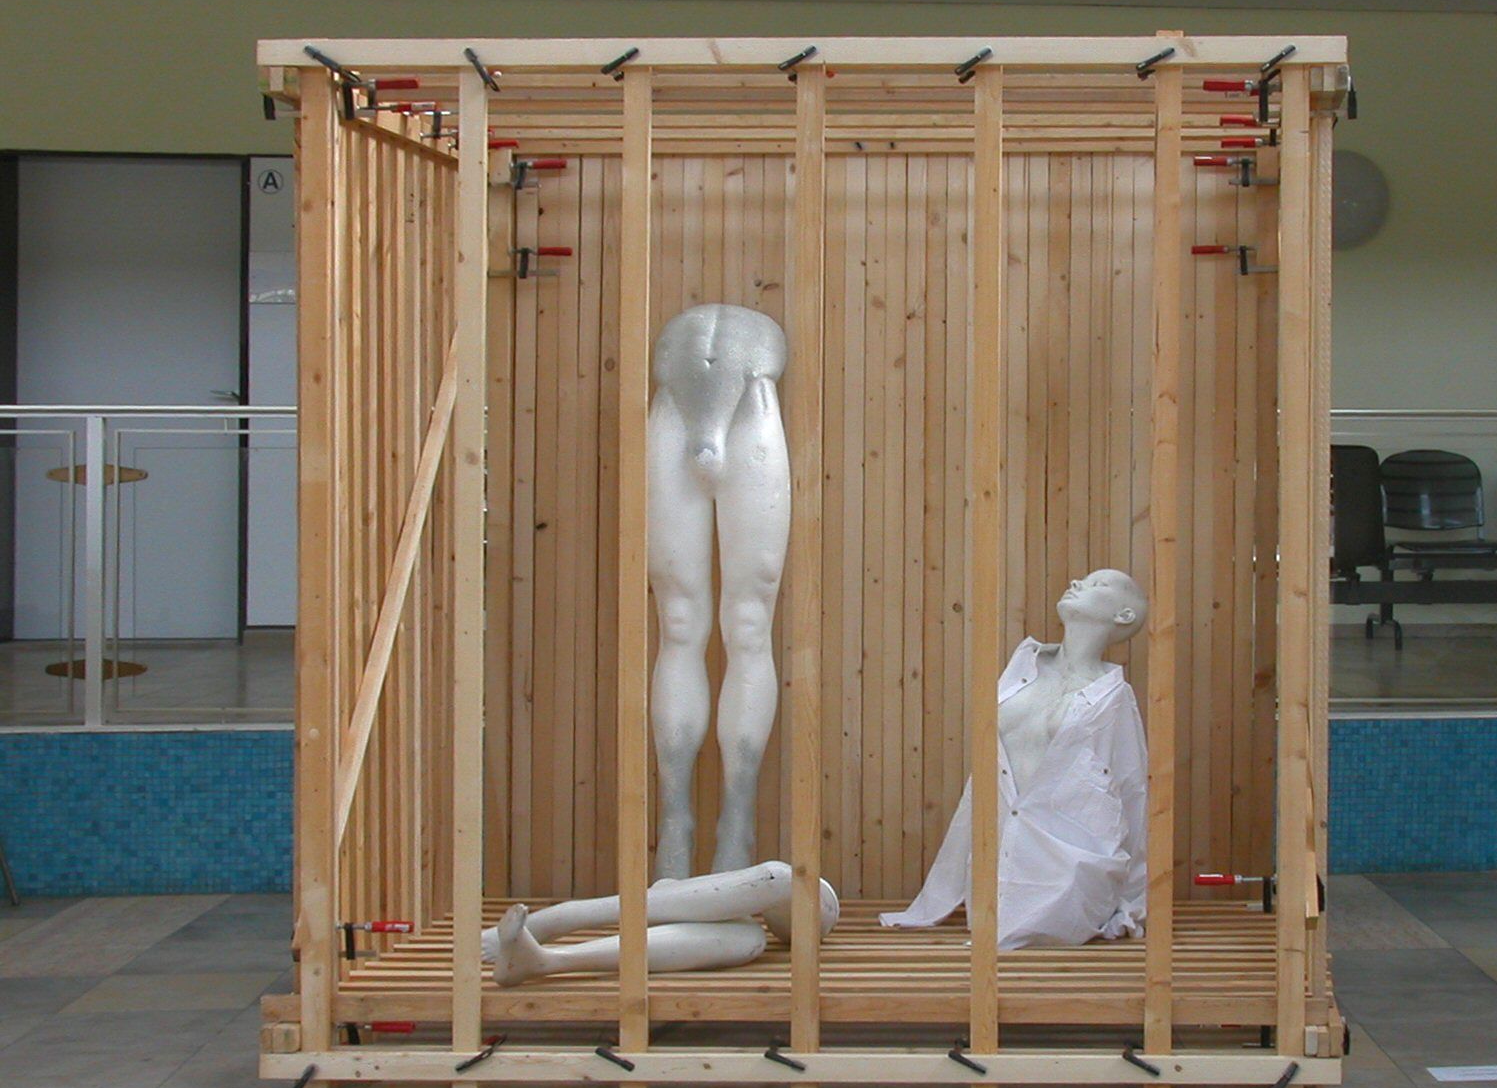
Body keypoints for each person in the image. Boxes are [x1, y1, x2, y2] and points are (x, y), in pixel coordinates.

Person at [882, 568, 1149, 949]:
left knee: (1038, 920)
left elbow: (1132, 792)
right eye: (1081, 580)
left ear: (1123, 615)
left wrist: (1133, 901)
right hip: (994, 870)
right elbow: (987, 778)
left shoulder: (1112, 697)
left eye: (1098, 584)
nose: (1076, 583)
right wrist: (946, 882)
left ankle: (1044, 916)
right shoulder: (1022, 668)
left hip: (1068, 871)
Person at [647, 305, 791, 880]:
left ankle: (737, 819)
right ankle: (674, 819)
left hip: (754, 406)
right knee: (678, 621)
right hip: (672, 410)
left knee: (750, 625)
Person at [483, 860, 840, 986]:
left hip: (817, 909)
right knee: (749, 938)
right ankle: (545, 961)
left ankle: (558, 921)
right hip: (764, 920)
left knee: (780, 879)